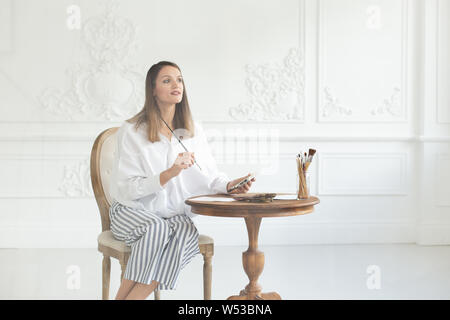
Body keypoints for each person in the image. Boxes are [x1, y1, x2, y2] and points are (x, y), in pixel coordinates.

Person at [108, 61, 256, 300]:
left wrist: (229, 186)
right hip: (130, 210)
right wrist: (169, 173)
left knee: (185, 230)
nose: (176, 85)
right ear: (153, 90)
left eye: (179, 79)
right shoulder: (132, 131)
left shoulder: (193, 130)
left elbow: (208, 175)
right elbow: (126, 188)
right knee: (156, 228)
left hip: (171, 215)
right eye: (167, 80)